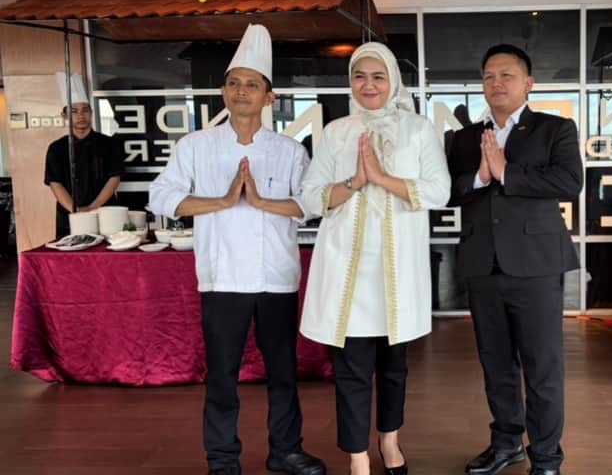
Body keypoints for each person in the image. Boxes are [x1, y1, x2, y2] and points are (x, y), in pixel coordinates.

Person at [148, 24, 326, 475]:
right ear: (223, 92)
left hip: (276, 279)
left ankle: (286, 451)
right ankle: (223, 459)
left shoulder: (289, 151)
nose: (241, 91)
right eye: (234, 83)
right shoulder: (195, 146)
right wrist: (223, 201)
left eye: (252, 84)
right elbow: (161, 197)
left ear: (269, 97)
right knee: (222, 375)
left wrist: (262, 202)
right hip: (222, 278)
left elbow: (310, 205)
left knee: (283, 372)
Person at [299, 42, 450, 475]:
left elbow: (439, 191)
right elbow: (310, 197)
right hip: (347, 269)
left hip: (397, 270)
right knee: (351, 369)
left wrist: (382, 177)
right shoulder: (336, 132)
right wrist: (355, 182)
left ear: (393, 81)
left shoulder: (418, 130)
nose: (368, 85)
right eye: (359, 76)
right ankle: (358, 456)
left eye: (378, 76)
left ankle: (389, 440)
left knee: (394, 366)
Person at [447, 44, 582, 475]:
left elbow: (569, 182)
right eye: (489, 76)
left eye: (506, 75)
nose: (496, 83)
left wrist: (505, 172)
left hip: (536, 265)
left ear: (528, 84)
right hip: (482, 264)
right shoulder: (463, 138)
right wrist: (479, 176)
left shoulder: (555, 129)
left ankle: (546, 456)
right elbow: (448, 193)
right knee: (495, 363)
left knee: (542, 367)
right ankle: (506, 444)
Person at [44, 72, 124, 237]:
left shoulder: (109, 144)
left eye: (85, 110)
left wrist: (93, 207)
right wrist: (76, 210)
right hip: (70, 216)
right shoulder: (56, 148)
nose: (81, 115)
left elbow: (114, 178)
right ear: (65, 116)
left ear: (91, 113)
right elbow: (55, 183)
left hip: (105, 213)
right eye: (74, 111)